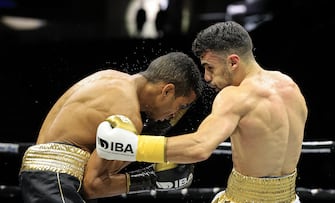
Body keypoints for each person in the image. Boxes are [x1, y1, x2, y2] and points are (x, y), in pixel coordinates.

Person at [96, 21, 308, 203]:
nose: (206, 77)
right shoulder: (290, 87)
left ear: (233, 61)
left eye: (210, 67)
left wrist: (132, 147)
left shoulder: (235, 96)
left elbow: (200, 147)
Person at [18, 51, 204, 203]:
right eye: (180, 106)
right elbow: (94, 185)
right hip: (57, 180)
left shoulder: (107, 77)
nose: (173, 115)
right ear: (167, 90)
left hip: (44, 177)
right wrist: (151, 179)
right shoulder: (128, 115)